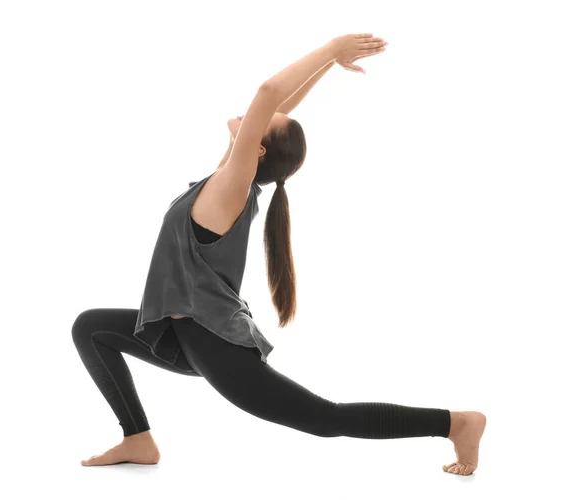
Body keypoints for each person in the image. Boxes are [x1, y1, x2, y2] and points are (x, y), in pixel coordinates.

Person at [72, 33, 486, 475]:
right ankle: (137, 437)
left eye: (260, 122)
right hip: (185, 333)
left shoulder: (232, 188)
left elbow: (268, 95)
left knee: (327, 419)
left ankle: (457, 423)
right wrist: (327, 68)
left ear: (258, 150)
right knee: (91, 327)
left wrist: (330, 49)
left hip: (215, 343)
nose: (255, 115)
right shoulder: (227, 180)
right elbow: (279, 106)